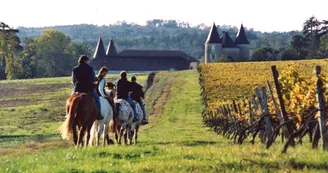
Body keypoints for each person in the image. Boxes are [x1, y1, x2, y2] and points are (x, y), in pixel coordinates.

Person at [72, 55, 103, 120]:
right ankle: (99, 114)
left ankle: (68, 113)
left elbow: (74, 80)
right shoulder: (90, 68)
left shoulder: (75, 69)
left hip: (78, 89)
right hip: (88, 89)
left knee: (71, 99)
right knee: (97, 99)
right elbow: (93, 79)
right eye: (88, 60)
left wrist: (76, 86)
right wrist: (95, 81)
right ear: (85, 61)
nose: (89, 62)